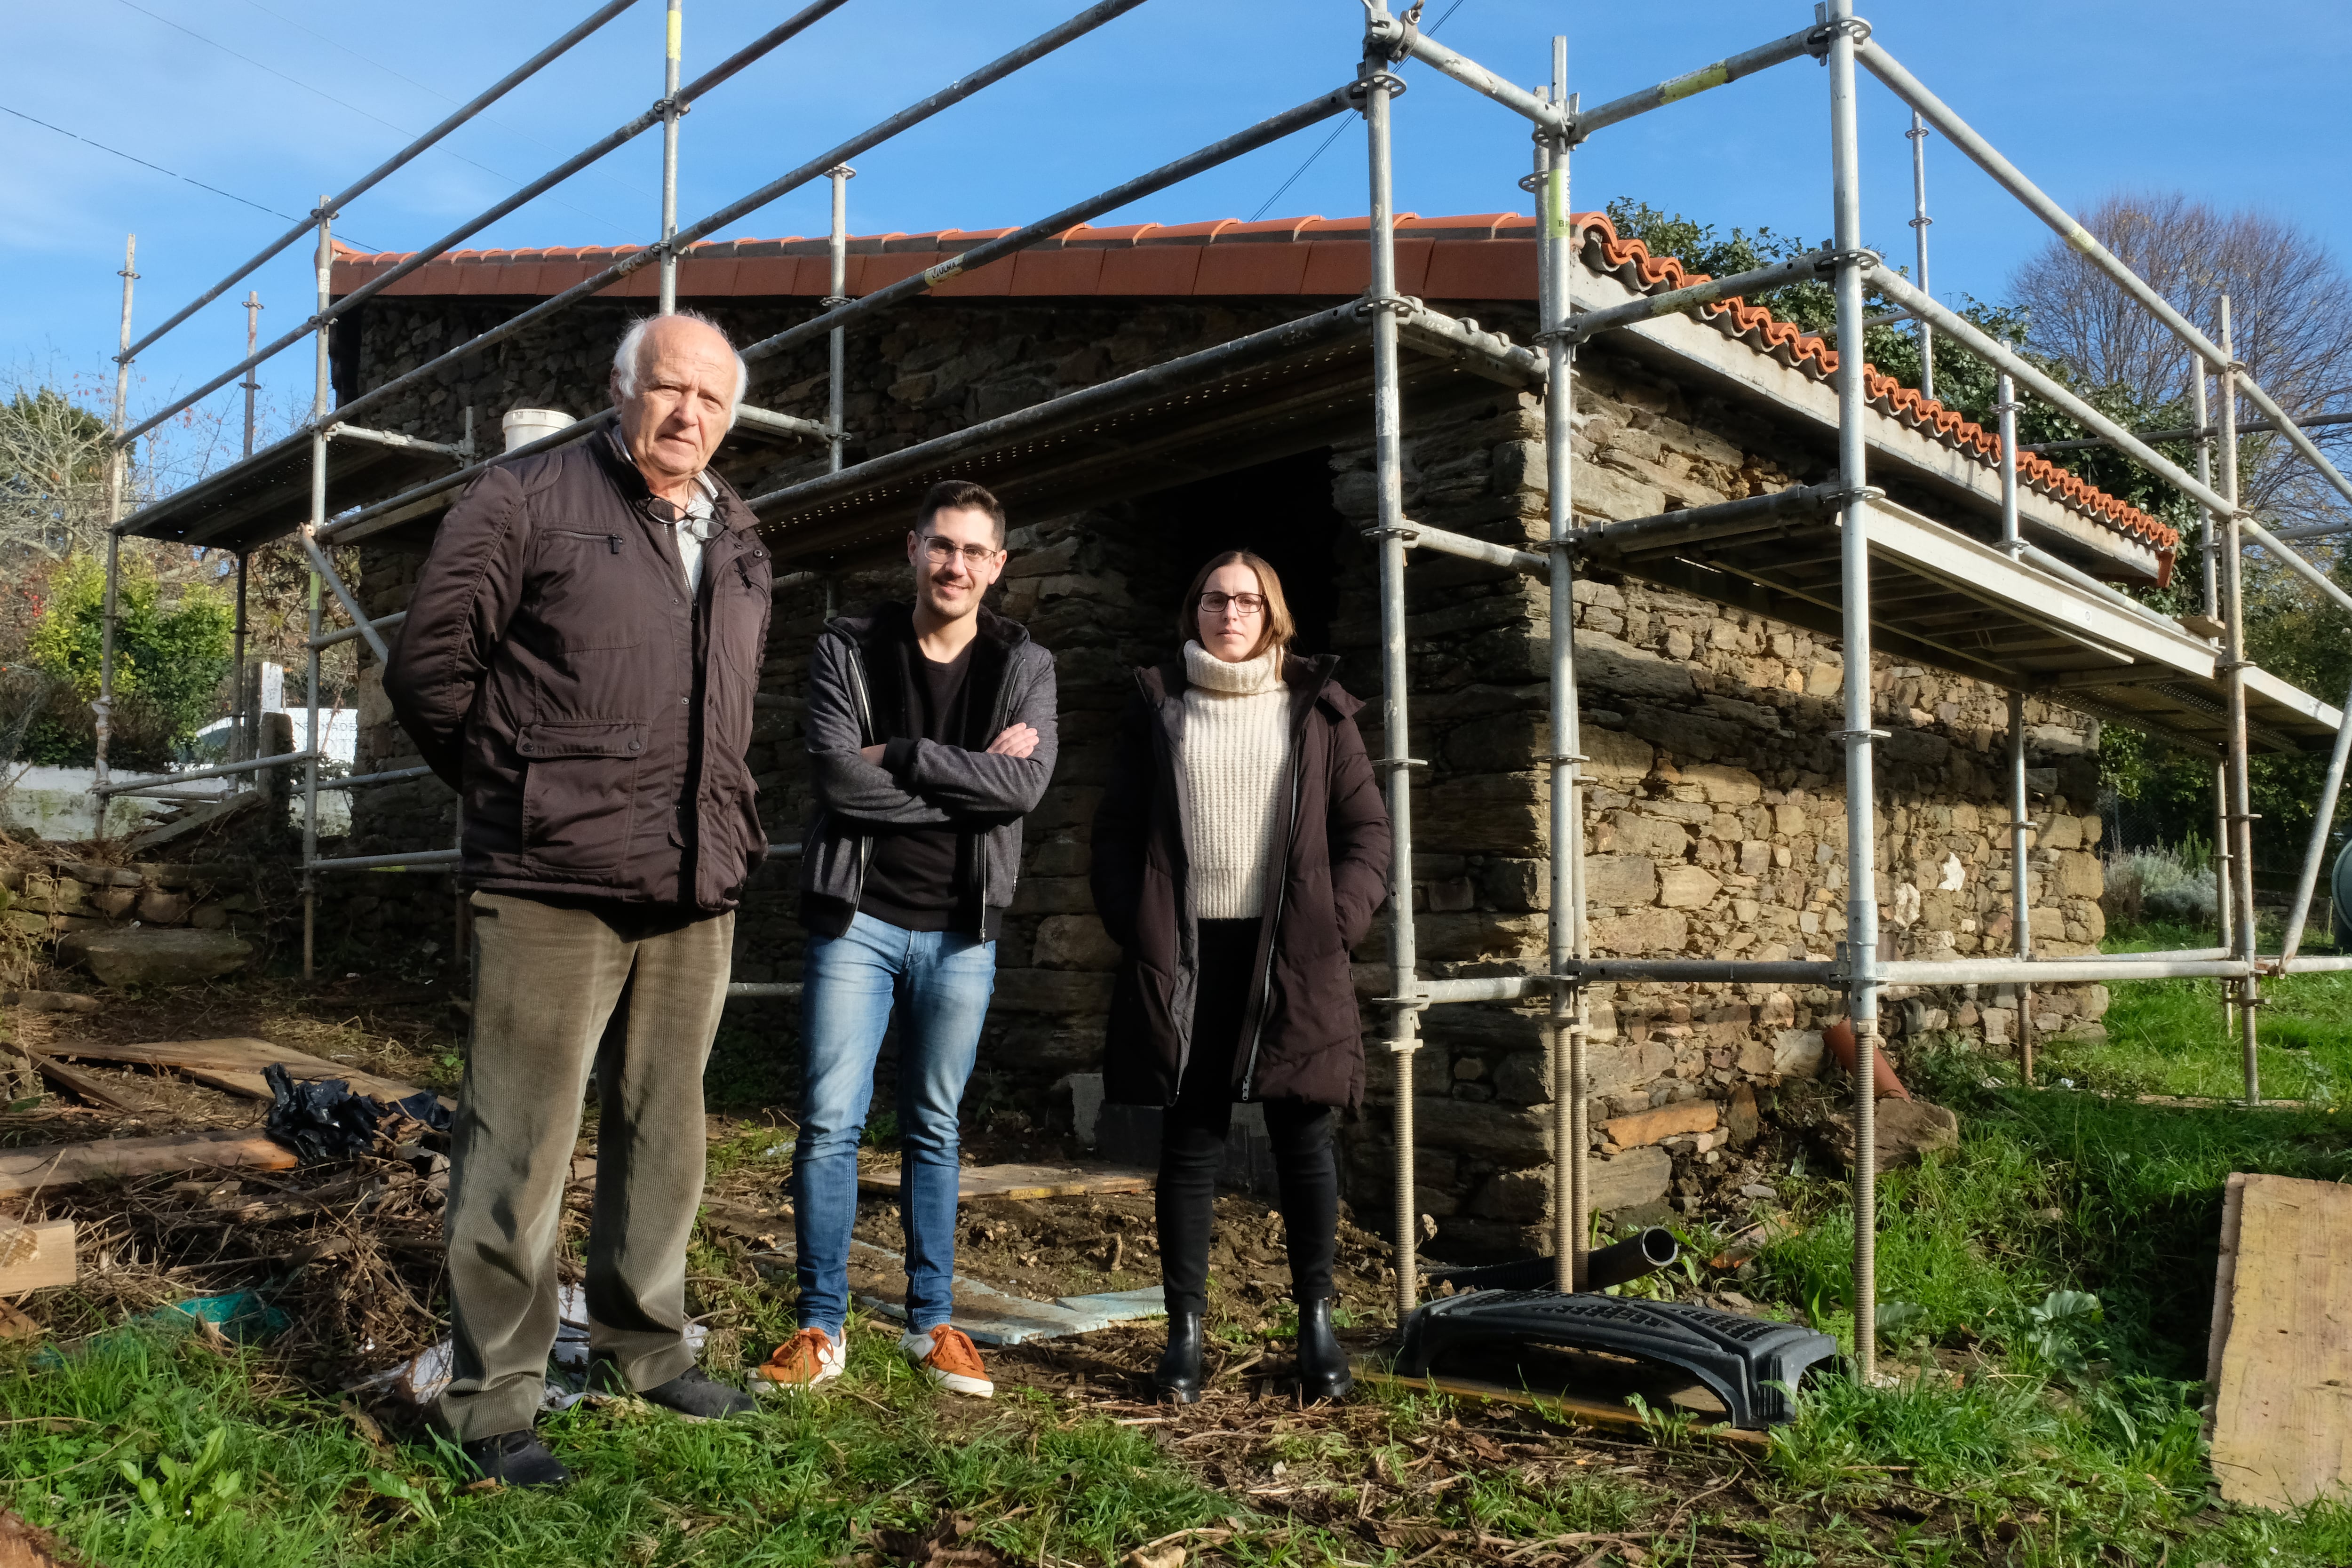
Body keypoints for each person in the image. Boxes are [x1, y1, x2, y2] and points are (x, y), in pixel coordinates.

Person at [385, 310, 773, 1487]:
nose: (687, 414)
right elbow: (428, 669)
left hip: (695, 878)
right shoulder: (525, 499)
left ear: (731, 415)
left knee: (667, 1126)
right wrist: (524, 791)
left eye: (711, 399)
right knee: (517, 1141)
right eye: (667, 390)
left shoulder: (742, 528)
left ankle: (644, 1348)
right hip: (549, 878)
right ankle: (494, 1399)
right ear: (619, 390)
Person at [753, 479, 1057, 1400]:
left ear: (997, 566)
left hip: (961, 931)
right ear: (913, 549)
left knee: (934, 1125)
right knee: (832, 1122)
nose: (955, 564)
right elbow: (841, 784)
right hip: (859, 921)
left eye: (974, 550)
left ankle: (932, 1324)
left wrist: (910, 754)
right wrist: (967, 782)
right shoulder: (849, 645)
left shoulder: (1024, 662)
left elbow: (1026, 788)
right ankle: (821, 1323)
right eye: (941, 545)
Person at [1091, 550, 1391, 1404]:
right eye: (1216, 597)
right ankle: (1184, 1335)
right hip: (1189, 954)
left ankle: (1316, 1327)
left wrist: (1337, 922)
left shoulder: (1318, 711)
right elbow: (1113, 830)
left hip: (1292, 949)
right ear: (1195, 610)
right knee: (1189, 1148)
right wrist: (1134, 918)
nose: (1232, 611)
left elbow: (1367, 829)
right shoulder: (1159, 709)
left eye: (1249, 599)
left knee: (1305, 1143)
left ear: (1274, 614)